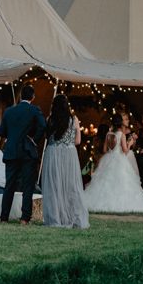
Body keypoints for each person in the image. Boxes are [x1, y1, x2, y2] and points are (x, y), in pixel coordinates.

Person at [83, 114, 143, 213]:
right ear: (120, 123)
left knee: (105, 183)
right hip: (119, 160)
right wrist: (130, 143)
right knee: (121, 182)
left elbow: (104, 150)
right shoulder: (122, 135)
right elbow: (125, 151)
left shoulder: (109, 134)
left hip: (108, 159)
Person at [0, 84, 46, 224]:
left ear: (21, 96)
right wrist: (34, 140)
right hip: (27, 152)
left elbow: (1, 132)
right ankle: (25, 218)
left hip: (11, 150)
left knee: (9, 185)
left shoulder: (9, 111)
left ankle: (4, 217)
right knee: (27, 186)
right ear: (33, 97)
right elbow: (43, 126)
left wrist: (12, 136)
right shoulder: (34, 110)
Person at [41, 95, 89, 228]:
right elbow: (78, 141)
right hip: (69, 154)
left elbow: (47, 137)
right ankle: (73, 217)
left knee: (54, 186)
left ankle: (56, 217)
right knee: (71, 186)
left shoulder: (49, 120)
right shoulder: (73, 119)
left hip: (53, 153)